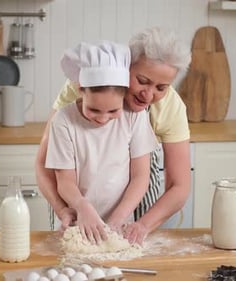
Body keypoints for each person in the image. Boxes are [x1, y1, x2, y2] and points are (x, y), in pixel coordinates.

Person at [36, 27, 191, 244]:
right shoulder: (83, 88)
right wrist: (65, 209)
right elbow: (46, 165)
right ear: (126, 66)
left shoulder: (166, 109)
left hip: (131, 207)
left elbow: (179, 185)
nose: (148, 95)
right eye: (143, 81)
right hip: (76, 202)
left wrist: (142, 225)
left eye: (161, 87)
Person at [44, 40, 159, 243]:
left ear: (124, 94)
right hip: (76, 223)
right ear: (81, 89)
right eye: (94, 110)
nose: (103, 118)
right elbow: (65, 181)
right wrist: (81, 206)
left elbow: (141, 176)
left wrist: (118, 218)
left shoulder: (134, 116)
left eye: (113, 111)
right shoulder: (63, 120)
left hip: (120, 223)